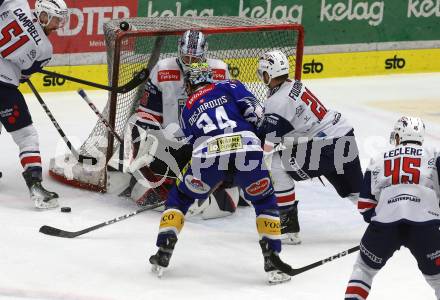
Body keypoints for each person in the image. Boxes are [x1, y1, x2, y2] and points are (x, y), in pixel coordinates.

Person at [148, 63, 293, 284]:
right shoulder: (230, 85)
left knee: (180, 198)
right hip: (247, 151)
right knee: (264, 200)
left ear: (190, 83)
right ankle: (272, 259)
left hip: (208, 156)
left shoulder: (187, 107)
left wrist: (214, 176)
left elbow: (189, 145)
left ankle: (165, 247)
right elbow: (256, 114)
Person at [125, 29, 239, 219]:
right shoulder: (163, 69)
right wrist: (147, 141)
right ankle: (164, 186)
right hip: (174, 143)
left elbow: (229, 114)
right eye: (186, 57)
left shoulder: (219, 71)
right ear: (178, 50)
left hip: (207, 142)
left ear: (205, 54)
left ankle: (218, 189)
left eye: (195, 59)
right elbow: (147, 115)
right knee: (146, 147)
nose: (190, 62)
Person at [256, 50, 363, 244]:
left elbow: (268, 143)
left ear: (267, 75)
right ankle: (392, 223)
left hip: (327, 147)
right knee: (357, 194)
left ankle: (289, 229)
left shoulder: (276, 102)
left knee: (277, 164)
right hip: (344, 136)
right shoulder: (295, 84)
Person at [345, 116, 440, 299]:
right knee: (438, 278)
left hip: (384, 225)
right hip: (425, 225)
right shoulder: (434, 154)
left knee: (364, 269)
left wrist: (381, 221)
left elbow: (365, 205)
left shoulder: (378, 158)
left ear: (399, 136)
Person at [0, 0, 68, 208]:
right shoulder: (45, 49)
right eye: (55, 18)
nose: (58, 24)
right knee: (26, 136)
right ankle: (36, 186)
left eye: (61, 19)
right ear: (42, 14)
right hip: (4, 88)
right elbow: (24, 76)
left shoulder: (16, 3)